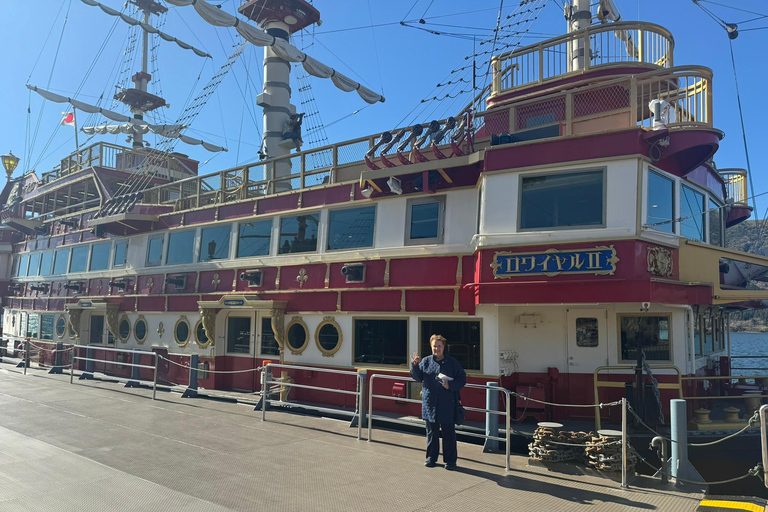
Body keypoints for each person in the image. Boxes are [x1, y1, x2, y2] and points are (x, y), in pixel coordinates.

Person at [410, 334, 466, 470]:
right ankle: (431, 458)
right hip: (430, 404)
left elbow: (462, 379)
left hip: (447, 403)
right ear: (431, 347)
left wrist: (450, 386)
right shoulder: (426, 361)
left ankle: (451, 461)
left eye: (439, 346)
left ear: (444, 347)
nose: (437, 349)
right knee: (431, 433)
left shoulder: (452, 362)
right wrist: (415, 365)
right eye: (434, 346)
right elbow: (418, 377)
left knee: (449, 434)